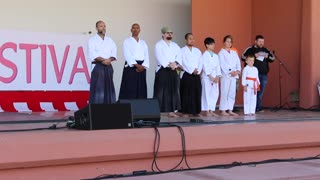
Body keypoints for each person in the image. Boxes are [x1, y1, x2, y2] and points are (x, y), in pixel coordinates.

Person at [154, 26, 182, 117]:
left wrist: (176, 63)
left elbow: (179, 56)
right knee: (160, 91)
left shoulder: (175, 45)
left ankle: (171, 111)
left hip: (173, 70)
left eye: (171, 33)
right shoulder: (159, 45)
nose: (169, 34)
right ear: (163, 34)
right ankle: (158, 111)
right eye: (167, 33)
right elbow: (159, 56)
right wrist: (169, 64)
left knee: (173, 90)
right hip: (163, 69)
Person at [242, 35, 275, 112]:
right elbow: (243, 57)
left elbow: (272, 58)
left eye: (262, 42)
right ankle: (250, 108)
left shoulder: (265, 49)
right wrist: (254, 56)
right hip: (251, 76)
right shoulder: (250, 49)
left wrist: (267, 57)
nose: (261, 43)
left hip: (263, 75)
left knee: (260, 93)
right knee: (252, 92)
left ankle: (258, 107)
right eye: (260, 41)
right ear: (255, 41)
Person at [88, 20, 117, 104]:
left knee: (109, 89)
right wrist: (104, 60)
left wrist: (109, 60)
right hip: (98, 66)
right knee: (98, 89)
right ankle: (96, 111)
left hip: (108, 66)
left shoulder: (109, 40)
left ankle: (109, 110)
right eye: (101, 26)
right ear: (96, 28)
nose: (103, 28)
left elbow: (114, 51)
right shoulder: (92, 40)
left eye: (104, 26)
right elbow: (92, 53)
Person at [119, 23, 149, 99]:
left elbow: (146, 55)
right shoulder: (127, 41)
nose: (135, 29)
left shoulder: (143, 43)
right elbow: (127, 54)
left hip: (142, 66)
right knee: (130, 87)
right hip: (131, 66)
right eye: (134, 28)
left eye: (137, 28)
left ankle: (141, 106)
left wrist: (143, 66)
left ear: (140, 30)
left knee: (141, 87)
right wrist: (136, 65)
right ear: (131, 30)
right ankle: (129, 106)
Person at [180, 33, 202, 117]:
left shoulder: (197, 51)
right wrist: (191, 70)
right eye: (190, 38)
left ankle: (196, 111)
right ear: (186, 40)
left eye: (193, 38)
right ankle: (185, 111)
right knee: (186, 93)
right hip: (187, 73)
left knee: (196, 92)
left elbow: (201, 62)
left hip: (196, 74)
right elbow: (182, 62)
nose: (192, 40)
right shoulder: (182, 50)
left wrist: (198, 70)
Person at [218, 35, 241, 116]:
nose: (229, 43)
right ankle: (223, 110)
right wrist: (230, 71)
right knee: (225, 92)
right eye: (227, 41)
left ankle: (230, 109)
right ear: (224, 42)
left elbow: (238, 63)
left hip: (234, 76)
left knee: (232, 93)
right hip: (226, 75)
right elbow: (222, 64)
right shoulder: (221, 53)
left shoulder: (234, 53)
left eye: (230, 41)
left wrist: (237, 71)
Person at [201, 37, 221, 116]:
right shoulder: (204, 55)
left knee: (214, 93)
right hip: (207, 77)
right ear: (207, 45)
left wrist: (217, 76)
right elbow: (205, 66)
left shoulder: (216, 56)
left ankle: (212, 109)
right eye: (211, 44)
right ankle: (207, 110)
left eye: (213, 44)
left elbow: (218, 66)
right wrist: (210, 76)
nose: (213, 46)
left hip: (215, 76)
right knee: (207, 93)